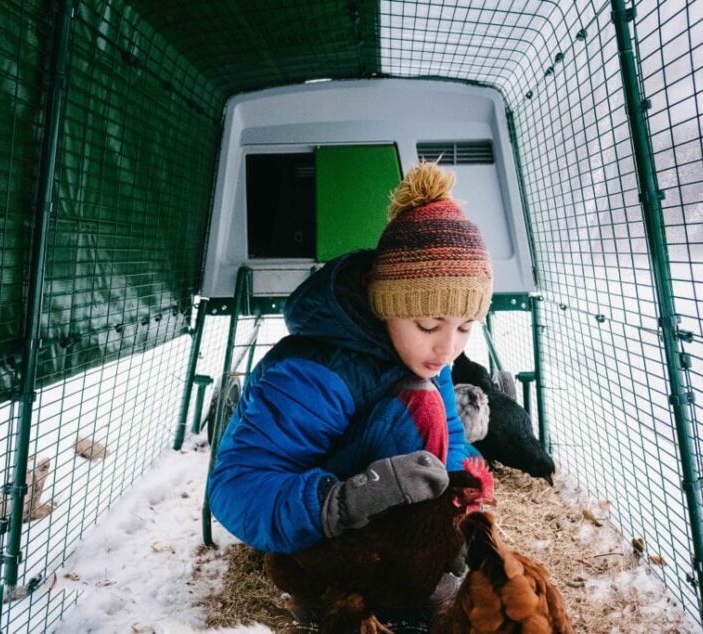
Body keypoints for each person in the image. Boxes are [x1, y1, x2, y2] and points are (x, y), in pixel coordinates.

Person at [208, 161, 493, 556]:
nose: (448, 350)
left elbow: (452, 436)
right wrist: (339, 503)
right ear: (383, 306)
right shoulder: (316, 375)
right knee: (419, 400)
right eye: (429, 325)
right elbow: (234, 488)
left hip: (378, 527)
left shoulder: (427, 360)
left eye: (465, 327)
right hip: (315, 529)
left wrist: (456, 484)